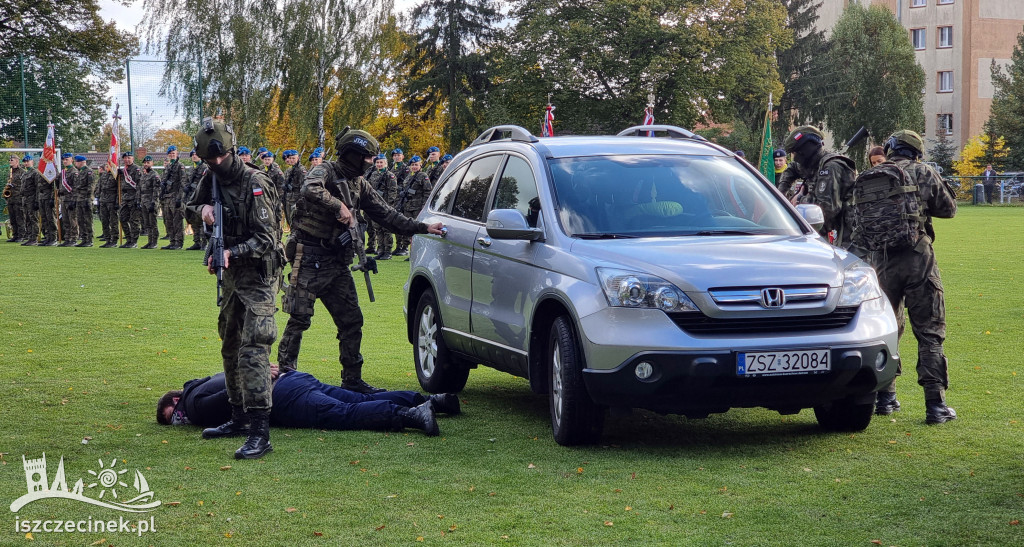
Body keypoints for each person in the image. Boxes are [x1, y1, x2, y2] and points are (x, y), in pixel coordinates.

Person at [277, 128, 444, 393]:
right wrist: (339, 206)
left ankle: (352, 380)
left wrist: (423, 228)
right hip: (307, 258)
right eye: (366, 158)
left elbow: (387, 215)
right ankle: (284, 377)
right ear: (352, 155)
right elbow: (310, 187)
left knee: (352, 321)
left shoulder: (359, 183)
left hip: (336, 264)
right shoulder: (327, 171)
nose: (369, 163)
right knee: (299, 320)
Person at [186, 116, 283, 459]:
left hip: (257, 275)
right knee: (229, 344)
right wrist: (204, 211)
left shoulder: (255, 182)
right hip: (230, 278)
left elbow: (268, 239)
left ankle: (261, 432)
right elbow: (190, 206)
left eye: (219, 158)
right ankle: (239, 417)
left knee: (253, 349)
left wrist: (231, 251)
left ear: (231, 151)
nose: (215, 164)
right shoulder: (210, 177)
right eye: (208, 160)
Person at [868, 130, 958, 425]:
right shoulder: (923, 171)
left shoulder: (874, 174)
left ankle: (885, 398)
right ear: (916, 151)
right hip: (918, 258)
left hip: (880, 261)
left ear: (892, 148)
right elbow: (948, 209)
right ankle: (936, 406)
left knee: (887, 329)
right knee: (930, 331)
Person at [156, 364, 459, 435]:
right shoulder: (206, 378)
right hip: (293, 378)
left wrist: (261, 381)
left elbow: (231, 398)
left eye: (171, 417)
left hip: (282, 396)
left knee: (343, 413)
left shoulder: (193, 406)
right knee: (352, 398)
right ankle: (432, 400)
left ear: (174, 403)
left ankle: (410, 415)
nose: (177, 422)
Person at [778, 125, 857, 247]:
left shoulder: (831, 167)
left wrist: (799, 200)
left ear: (805, 150)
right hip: (831, 232)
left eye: (795, 152)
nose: (794, 157)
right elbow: (792, 168)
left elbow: (826, 209)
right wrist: (780, 193)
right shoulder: (813, 164)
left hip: (848, 235)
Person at [365, 153, 398, 260]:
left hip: (385, 206)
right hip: (374, 205)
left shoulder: (390, 176)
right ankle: (381, 250)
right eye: (377, 162)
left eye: (381, 162)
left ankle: (388, 251)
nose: (379, 164)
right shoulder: (373, 174)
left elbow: (392, 192)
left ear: (386, 163)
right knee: (378, 229)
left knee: (386, 229)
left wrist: (388, 206)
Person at [160, 145, 187, 249]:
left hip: (175, 197)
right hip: (167, 197)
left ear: (176, 153)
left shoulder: (180, 166)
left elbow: (183, 182)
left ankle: (178, 243)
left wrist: (180, 198)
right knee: (168, 221)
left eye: (173, 153)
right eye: (170, 153)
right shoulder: (168, 167)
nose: (172, 155)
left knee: (177, 221)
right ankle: (172, 241)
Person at [25, 155, 54, 246]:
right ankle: (47, 237)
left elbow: (51, 187)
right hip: (39, 198)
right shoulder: (37, 173)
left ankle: (52, 238)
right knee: (44, 219)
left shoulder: (48, 173)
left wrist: (52, 198)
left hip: (45, 198)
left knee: (50, 219)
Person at [117, 151, 144, 248]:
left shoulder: (136, 169)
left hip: (134, 197)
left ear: (132, 159)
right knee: (122, 218)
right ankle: (128, 239)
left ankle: (134, 241)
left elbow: (139, 185)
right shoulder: (124, 170)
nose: (127, 160)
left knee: (134, 220)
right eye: (125, 158)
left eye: (129, 158)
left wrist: (138, 199)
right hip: (125, 197)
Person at [183, 149, 208, 250]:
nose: (194, 156)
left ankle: (204, 242)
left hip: (200, 197)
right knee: (193, 220)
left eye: (196, 154)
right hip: (191, 197)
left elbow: (206, 182)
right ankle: (196, 241)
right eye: (192, 155)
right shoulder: (191, 169)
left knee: (201, 220)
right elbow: (186, 180)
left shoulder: (204, 167)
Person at [139, 155, 161, 249]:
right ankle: (149, 241)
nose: (146, 164)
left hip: (151, 201)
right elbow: (140, 189)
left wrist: (154, 202)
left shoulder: (154, 175)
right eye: (145, 163)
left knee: (153, 223)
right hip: (144, 201)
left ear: (152, 163)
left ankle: (154, 242)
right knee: (147, 223)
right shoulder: (144, 175)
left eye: (148, 162)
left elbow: (156, 190)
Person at [73, 155, 95, 247]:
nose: (75, 163)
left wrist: (88, 198)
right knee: (80, 220)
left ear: (81, 162)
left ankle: (89, 240)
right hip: (79, 199)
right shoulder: (79, 172)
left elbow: (91, 186)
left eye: (76, 162)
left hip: (86, 199)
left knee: (87, 220)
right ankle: (84, 239)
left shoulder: (88, 172)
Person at [97, 162, 120, 247]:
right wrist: (98, 198)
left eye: (109, 165)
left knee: (113, 221)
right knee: (104, 221)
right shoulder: (103, 175)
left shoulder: (116, 175)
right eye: (107, 165)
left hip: (112, 200)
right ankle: (107, 239)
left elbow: (118, 189)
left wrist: (117, 201)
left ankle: (114, 240)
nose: (108, 167)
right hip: (103, 200)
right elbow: (100, 187)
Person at [57, 154, 78, 246]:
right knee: (65, 220)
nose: (65, 161)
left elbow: (76, 187)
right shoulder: (63, 172)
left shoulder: (74, 172)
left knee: (72, 220)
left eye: (66, 160)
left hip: (71, 199)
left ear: (71, 160)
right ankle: (67, 238)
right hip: (63, 199)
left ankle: (74, 239)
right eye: (63, 160)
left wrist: (74, 200)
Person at [281, 149, 304, 228]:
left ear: (298, 158)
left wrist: (300, 202)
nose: (291, 160)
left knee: (296, 223)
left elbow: (303, 188)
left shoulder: (301, 170)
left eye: (293, 158)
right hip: (288, 199)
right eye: (290, 158)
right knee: (289, 222)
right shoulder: (289, 170)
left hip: (296, 200)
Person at [5, 155, 23, 242]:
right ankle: (15, 235)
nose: (10, 161)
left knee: (19, 218)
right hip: (11, 198)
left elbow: (24, 185)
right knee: (12, 218)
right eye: (9, 160)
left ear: (16, 161)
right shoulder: (10, 172)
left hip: (18, 198)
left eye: (11, 160)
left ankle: (21, 235)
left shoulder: (22, 172)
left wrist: (14, 186)